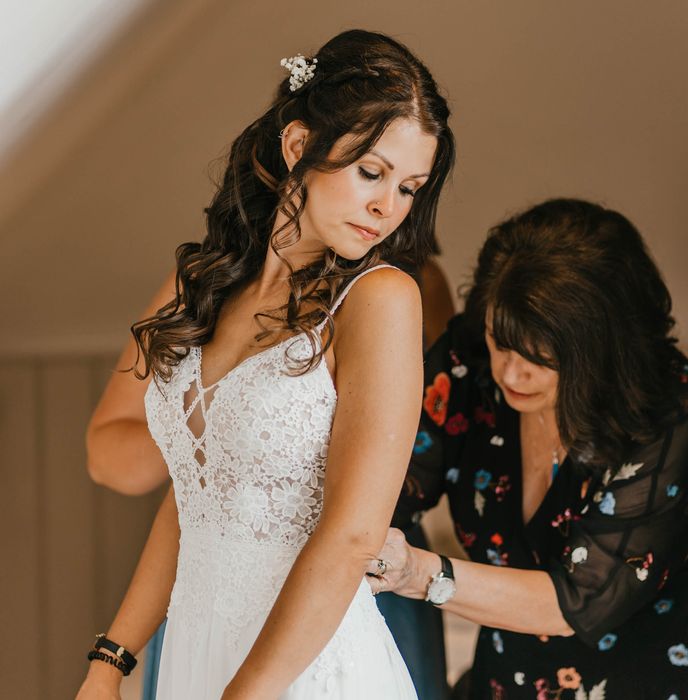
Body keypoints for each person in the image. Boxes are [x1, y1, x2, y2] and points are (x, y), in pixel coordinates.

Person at [76, 29, 455, 700]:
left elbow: (353, 534)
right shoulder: (212, 287)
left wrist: (246, 694)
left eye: (409, 187)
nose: (386, 207)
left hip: (304, 670)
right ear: (298, 145)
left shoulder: (380, 300)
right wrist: (111, 660)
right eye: (371, 172)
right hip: (196, 653)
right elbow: (197, 500)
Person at [368, 199, 688, 700]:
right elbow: (388, 485)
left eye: (540, 358)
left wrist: (420, 573)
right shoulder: (469, 360)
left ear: (599, 349)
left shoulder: (667, 415)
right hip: (503, 681)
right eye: (502, 343)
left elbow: (573, 602)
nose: (511, 374)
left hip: (639, 683)